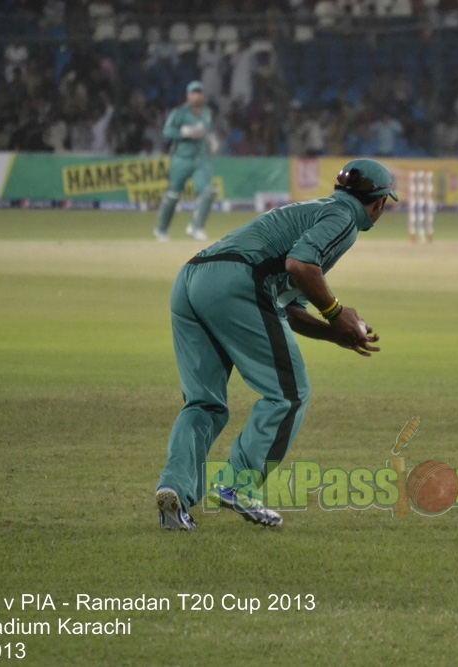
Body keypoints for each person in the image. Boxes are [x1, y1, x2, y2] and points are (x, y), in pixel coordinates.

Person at [155, 158, 396, 530]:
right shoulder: (345, 219)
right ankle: (237, 484)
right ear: (379, 203)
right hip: (237, 282)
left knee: (204, 403)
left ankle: (174, 492)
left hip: (191, 279)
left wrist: (334, 332)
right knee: (289, 394)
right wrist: (335, 312)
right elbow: (300, 266)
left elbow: (289, 305)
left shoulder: (314, 209)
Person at [154, 81, 221, 243]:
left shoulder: (206, 112)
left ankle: (196, 227)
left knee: (209, 191)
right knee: (173, 195)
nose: (196, 95)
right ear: (188, 95)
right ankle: (161, 230)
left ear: (203, 96)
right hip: (181, 159)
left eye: (199, 92)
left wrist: (211, 139)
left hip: (200, 159)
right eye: (193, 93)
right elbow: (167, 131)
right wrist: (185, 133)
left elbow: (207, 129)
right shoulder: (179, 113)